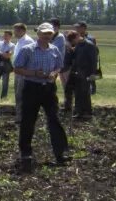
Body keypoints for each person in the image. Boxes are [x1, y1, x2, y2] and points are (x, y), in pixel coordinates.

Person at [14, 22, 69, 170]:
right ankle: (25, 153)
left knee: (54, 119)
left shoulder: (55, 50)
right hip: (32, 88)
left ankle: (61, 153)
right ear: (38, 34)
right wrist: (34, 73)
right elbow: (17, 68)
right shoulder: (28, 50)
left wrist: (54, 73)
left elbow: (59, 66)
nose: (46, 36)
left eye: (49, 34)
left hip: (49, 89)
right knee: (28, 121)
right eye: (44, 33)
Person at [66, 30, 98, 119]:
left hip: (87, 73)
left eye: (73, 41)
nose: (73, 43)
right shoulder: (77, 46)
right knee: (78, 93)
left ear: (77, 37)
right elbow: (74, 58)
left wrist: (92, 74)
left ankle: (87, 112)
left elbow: (94, 60)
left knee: (85, 93)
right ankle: (79, 111)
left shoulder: (90, 45)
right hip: (78, 73)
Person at [11, 23, 35, 123]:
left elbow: (29, 57)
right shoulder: (19, 41)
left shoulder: (27, 41)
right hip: (18, 71)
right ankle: (19, 115)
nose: (14, 32)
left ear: (22, 31)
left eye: (16, 30)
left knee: (21, 94)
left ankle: (22, 116)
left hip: (24, 71)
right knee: (18, 93)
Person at [0, 30, 15, 99]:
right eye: (4, 35)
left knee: (5, 82)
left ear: (10, 36)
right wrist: (4, 53)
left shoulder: (12, 45)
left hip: (6, 64)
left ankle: (3, 97)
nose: (4, 37)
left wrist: (1, 53)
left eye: (6, 35)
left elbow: (8, 56)